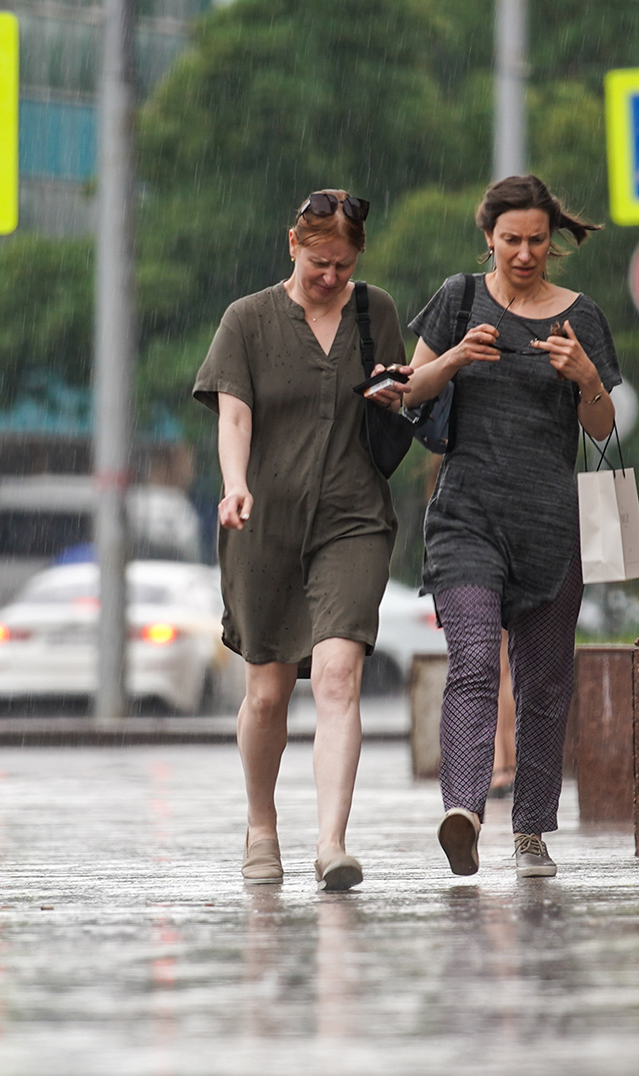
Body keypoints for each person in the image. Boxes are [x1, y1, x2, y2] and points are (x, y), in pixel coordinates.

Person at [401, 175, 622, 879]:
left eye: (536, 242)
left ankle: (531, 833)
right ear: (488, 238)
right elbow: (408, 391)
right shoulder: (458, 299)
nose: (524, 254)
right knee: (471, 662)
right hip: (467, 514)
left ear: (552, 242)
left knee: (545, 683)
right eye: (510, 241)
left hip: (553, 525)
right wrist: (455, 357)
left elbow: (602, 427)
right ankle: (463, 810)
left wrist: (585, 375)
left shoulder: (580, 317)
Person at [192, 189, 410, 891]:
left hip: (353, 516)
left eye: (343, 267)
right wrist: (233, 484)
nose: (331, 278)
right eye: (320, 263)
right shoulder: (248, 321)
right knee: (267, 693)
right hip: (263, 520)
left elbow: (400, 395)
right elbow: (234, 417)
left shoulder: (376, 313)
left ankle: (332, 842)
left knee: (341, 676)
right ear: (293, 244)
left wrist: (396, 393)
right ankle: (261, 827)